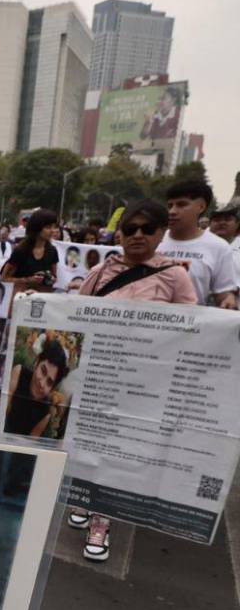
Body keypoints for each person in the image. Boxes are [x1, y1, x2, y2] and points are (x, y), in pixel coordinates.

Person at [63, 198, 199, 562]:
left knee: (118, 453)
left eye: (147, 229)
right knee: (90, 445)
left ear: (161, 233)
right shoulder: (102, 272)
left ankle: (101, 522)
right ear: (120, 233)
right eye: (131, 229)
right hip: (98, 377)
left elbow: (195, 329)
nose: (138, 235)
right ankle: (83, 499)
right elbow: (74, 315)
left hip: (143, 385)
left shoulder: (176, 275)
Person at [157, 180, 239, 309]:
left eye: (181, 205)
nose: (172, 211)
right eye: (170, 205)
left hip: (191, 326)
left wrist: (229, 299)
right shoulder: (153, 240)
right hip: (146, 325)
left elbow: (223, 294)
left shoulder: (219, 247)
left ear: (201, 207)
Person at [4, 341, 69, 439]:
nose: (42, 383)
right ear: (36, 363)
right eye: (43, 371)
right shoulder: (19, 373)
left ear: (52, 388)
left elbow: (30, 442)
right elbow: (2, 414)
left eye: (49, 382)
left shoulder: (45, 413)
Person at [1, 209, 59, 292]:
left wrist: (50, 279)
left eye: (54, 227)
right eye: (48, 227)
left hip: (42, 299)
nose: (52, 231)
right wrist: (29, 280)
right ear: (37, 228)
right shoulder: (20, 251)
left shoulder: (52, 251)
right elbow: (4, 279)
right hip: (20, 298)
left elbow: (54, 277)